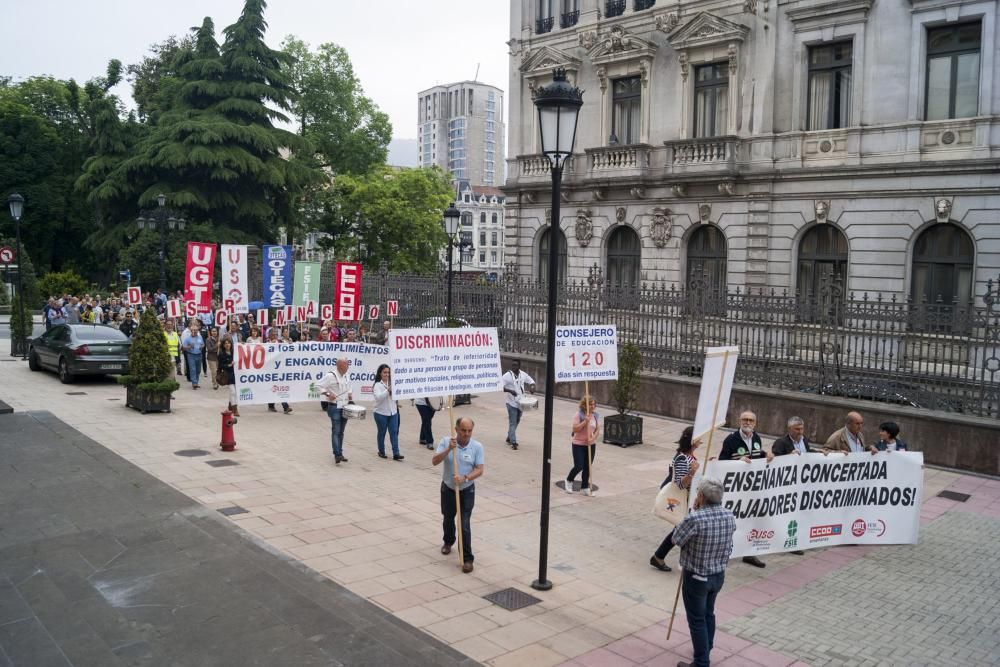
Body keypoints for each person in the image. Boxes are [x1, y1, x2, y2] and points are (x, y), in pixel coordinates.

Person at [673, 477, 737, 667]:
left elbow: (676, 538)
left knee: (697, 619)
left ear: (700, 496)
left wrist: (693, 511)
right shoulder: (728, 515)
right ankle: (705, 648)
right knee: (709, 613)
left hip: (697, 576)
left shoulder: (695, 517)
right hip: (718, 575)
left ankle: (701, 661)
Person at [719, 411, 772, 568]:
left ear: (755, 423)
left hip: (752, 489)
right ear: (739, 421)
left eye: (751, 420)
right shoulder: (731, 440)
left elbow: (756, 456)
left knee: (751, 520)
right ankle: (724, 552)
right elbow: (722, 461)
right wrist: (737, 462)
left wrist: (765, 454)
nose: (747, 422)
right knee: (733, 521)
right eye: (745, 419)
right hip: (736, 490)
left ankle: (749, 553)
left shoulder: (756, 438)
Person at [432, 417, 485, 574]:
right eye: (463, 430)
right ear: (456, 430)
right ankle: (448, 541)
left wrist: (465, 477)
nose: (466, 434)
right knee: (448, 518)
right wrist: (448, 449)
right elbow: (434, 461)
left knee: (464, 523)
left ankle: (467, 558)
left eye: (469, 431)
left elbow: (480, 469)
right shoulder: (446, 441)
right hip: (448, 488)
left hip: (467, 490)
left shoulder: (477, 447)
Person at [649, 426, 701, 572]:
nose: (700, 441)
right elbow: (679, 483)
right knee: (681, 530)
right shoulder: (682, 458)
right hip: (683, 499)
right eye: (698, 438)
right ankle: (666, 558)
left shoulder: (688, 455)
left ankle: (659, 556)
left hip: (689, 500)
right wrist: (692, 472)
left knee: (680, 529)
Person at [317, 358, 352, 464]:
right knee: (336, 431)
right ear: (339, 365)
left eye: (347, 364)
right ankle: (337, 454)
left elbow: (349, 387)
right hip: (334, 406)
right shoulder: (330, 376)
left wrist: (350, 393)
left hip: (345, 406)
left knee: (341, 432)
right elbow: (317, 386)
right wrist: (327, 394)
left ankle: (340, 453)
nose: (347, 367)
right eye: (346, 365)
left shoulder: (347, 375)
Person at [565, 395, 601, 496]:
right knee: (579, 465)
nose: (593, 406)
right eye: (590, 404)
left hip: (590, 444)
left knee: (587, 467)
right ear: (585, 405)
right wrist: (585, 421)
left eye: (594, 404)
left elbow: (597, 429)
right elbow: (575, 429)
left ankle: (585, 487)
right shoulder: (579, 415)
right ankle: (569, 480)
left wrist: (593, 438)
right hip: (578, 444)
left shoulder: (596, 415)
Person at [502, 360, 536, 450]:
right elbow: (500, 386)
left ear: (519, 366)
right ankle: (514, 442)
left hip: (521, 402)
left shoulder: (523, 374)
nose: (514, 367)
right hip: (511, 403)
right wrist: (510, 391)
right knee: (512, 422)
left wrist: (532, 387)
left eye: (516, 365)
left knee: (517, 420)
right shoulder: (507, 376)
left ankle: (509, 436)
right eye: (512, 365)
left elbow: (531, 381)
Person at [372, 364, 403, 460]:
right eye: (385, 372)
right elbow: (378, 398)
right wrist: (388, 391)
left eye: (388, 372)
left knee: (394, 432)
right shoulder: (377, 385)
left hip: (393, 412)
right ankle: (381, 451)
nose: (387, 374)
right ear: (380, 373)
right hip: (381, 413)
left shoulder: (393, 383)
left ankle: (396, 453)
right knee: (382, 432)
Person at [265, 327, 292, 414]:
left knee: (279, 387)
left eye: (276, 334)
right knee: (272, 387)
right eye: (273, 334)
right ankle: (271, 405)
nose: (274, 335)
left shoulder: (281, 343)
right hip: (270, 369)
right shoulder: (265, 343)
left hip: (280, 369)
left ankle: (285, 406)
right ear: (269, 335)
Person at [180, 319, 205, 389]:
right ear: (191, 331)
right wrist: (189, 347)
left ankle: (196, 381)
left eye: (195, 331)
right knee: (192, 369)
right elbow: (183, 347)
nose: (194, 332)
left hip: (199, 355)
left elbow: (203, 344)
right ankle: (194, 383)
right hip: (191, 355)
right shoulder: (188, 339)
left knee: (198, 370)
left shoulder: (200, 337)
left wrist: (201, 347)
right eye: (193, 331)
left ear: (197, 331)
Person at [217, 337, 239, 416]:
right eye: (225, 343)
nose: (227, 345)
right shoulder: (221, 354)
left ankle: (230, 405)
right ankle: (234, 409)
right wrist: (229, 365)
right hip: (228, 375)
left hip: (236, 374)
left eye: (229, 343)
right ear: (223, 345)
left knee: (233, 392)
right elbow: (220, 366)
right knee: (233, 392)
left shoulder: (234, 352)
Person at [205, 326, 221, 390]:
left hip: (218, 358)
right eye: (213, 331)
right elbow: (209, 349)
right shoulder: (208, 339)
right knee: (214, 371)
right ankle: (214, 384)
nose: (214, 332)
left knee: (218, 371)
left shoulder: (219, 339)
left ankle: (217, 382)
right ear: (211, 332)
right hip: (211, 358)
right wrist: (217, 345)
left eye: (215, 331)